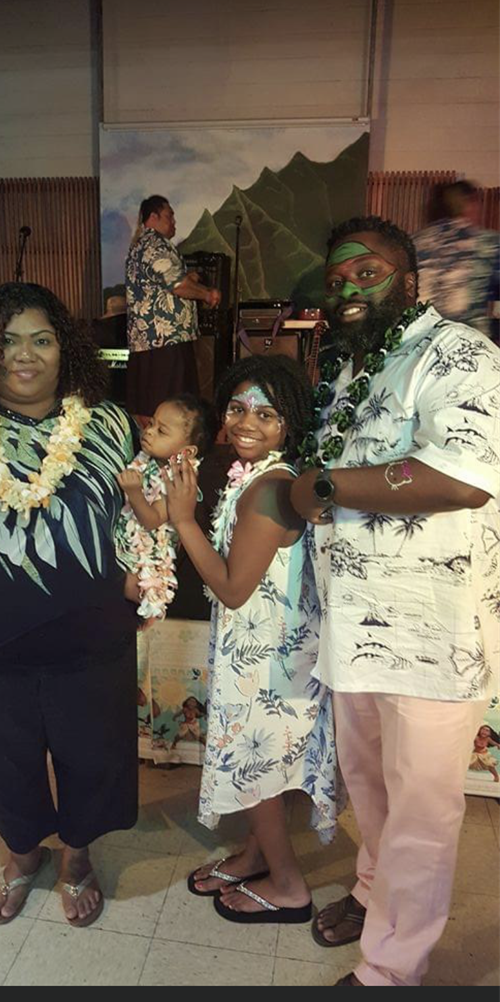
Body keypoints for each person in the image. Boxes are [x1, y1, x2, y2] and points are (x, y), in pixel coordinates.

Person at [290, 215, 500, 986]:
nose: (347, 288)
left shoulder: (461, 354)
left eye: (366, 272)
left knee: (420, 814)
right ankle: (373, 890)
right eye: (336, 278)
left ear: (408, 278)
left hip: (431, 633)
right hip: (354, 624)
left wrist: (317, 486)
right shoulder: (349, 370)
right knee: (371, 786)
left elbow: (459, 477)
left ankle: (390, 970)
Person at [0, 282, 140, 928]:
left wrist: (151, 562)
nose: (23, 354)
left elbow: (139, 521)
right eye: (6, 340)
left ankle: (78, 854)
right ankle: (21, 852)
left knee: (91, 754)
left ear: (65, 349)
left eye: (41, 337)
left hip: (91, 633)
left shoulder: (108, 423)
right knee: (8, 758)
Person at [165, 355, 340, 924]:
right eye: (238, 408)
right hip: (264, 650)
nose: (248, 422)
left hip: (269, 661)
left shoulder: (266, 490)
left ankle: (289, 885)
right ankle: (254, 854)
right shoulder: (263, 476)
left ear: (290, 422)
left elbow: (236, 589)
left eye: (267, 413)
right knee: (259, 768)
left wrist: (184, 520)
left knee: (259, 773)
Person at [115, 393, 218, 621]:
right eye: (151, 423)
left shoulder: (176, 479)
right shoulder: (150, 461)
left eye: (161, 431)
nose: (149, 431)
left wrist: (134, 493)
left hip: (144, 562)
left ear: (187, 452)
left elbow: (153, 519)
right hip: (126, 546)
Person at [125, 195, 222, 423]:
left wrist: (188, 279)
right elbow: (177, 286)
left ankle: (155, 451)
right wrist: (207, 294)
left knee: (151, 404)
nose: (174, 222)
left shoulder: (141, 245)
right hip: (164, 339)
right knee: (168, 406)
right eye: (169, 216)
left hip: (150, 339)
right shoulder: (155, 245)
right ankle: (168, 453)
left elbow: (164, 283)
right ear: (153, 217)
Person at [414, 180, 500, 338]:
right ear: (470, 204)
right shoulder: (488, 244)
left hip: (420, 340)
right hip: (467, 343)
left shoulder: (415, 241)